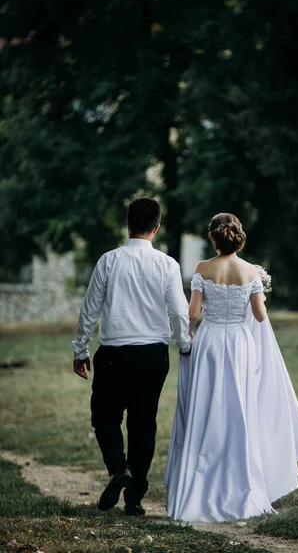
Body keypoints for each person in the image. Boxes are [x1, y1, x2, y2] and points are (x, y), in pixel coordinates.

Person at [164, 212, 298, 523]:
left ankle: (200, 483)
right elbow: (259, 316)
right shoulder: (251, 272)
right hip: (241, 347)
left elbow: (193, 312)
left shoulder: (203, 269)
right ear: (238, 236)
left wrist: (186, 335)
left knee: (206, 408)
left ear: (213, 238)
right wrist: (257, 293)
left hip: (210, 343)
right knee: (239, 409)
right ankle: (241, 483)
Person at [72, 197, 191, 516]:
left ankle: (117, 468)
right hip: (153, 356)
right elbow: (179, 312)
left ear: (127, 223)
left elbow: (90, 309)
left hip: (114, 354)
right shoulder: (167, 264)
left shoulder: (108, 261)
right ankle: (134, 497)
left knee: (105, 416)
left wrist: (80, 350)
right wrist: (184, 344)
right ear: (157, 227)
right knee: (143, 424)